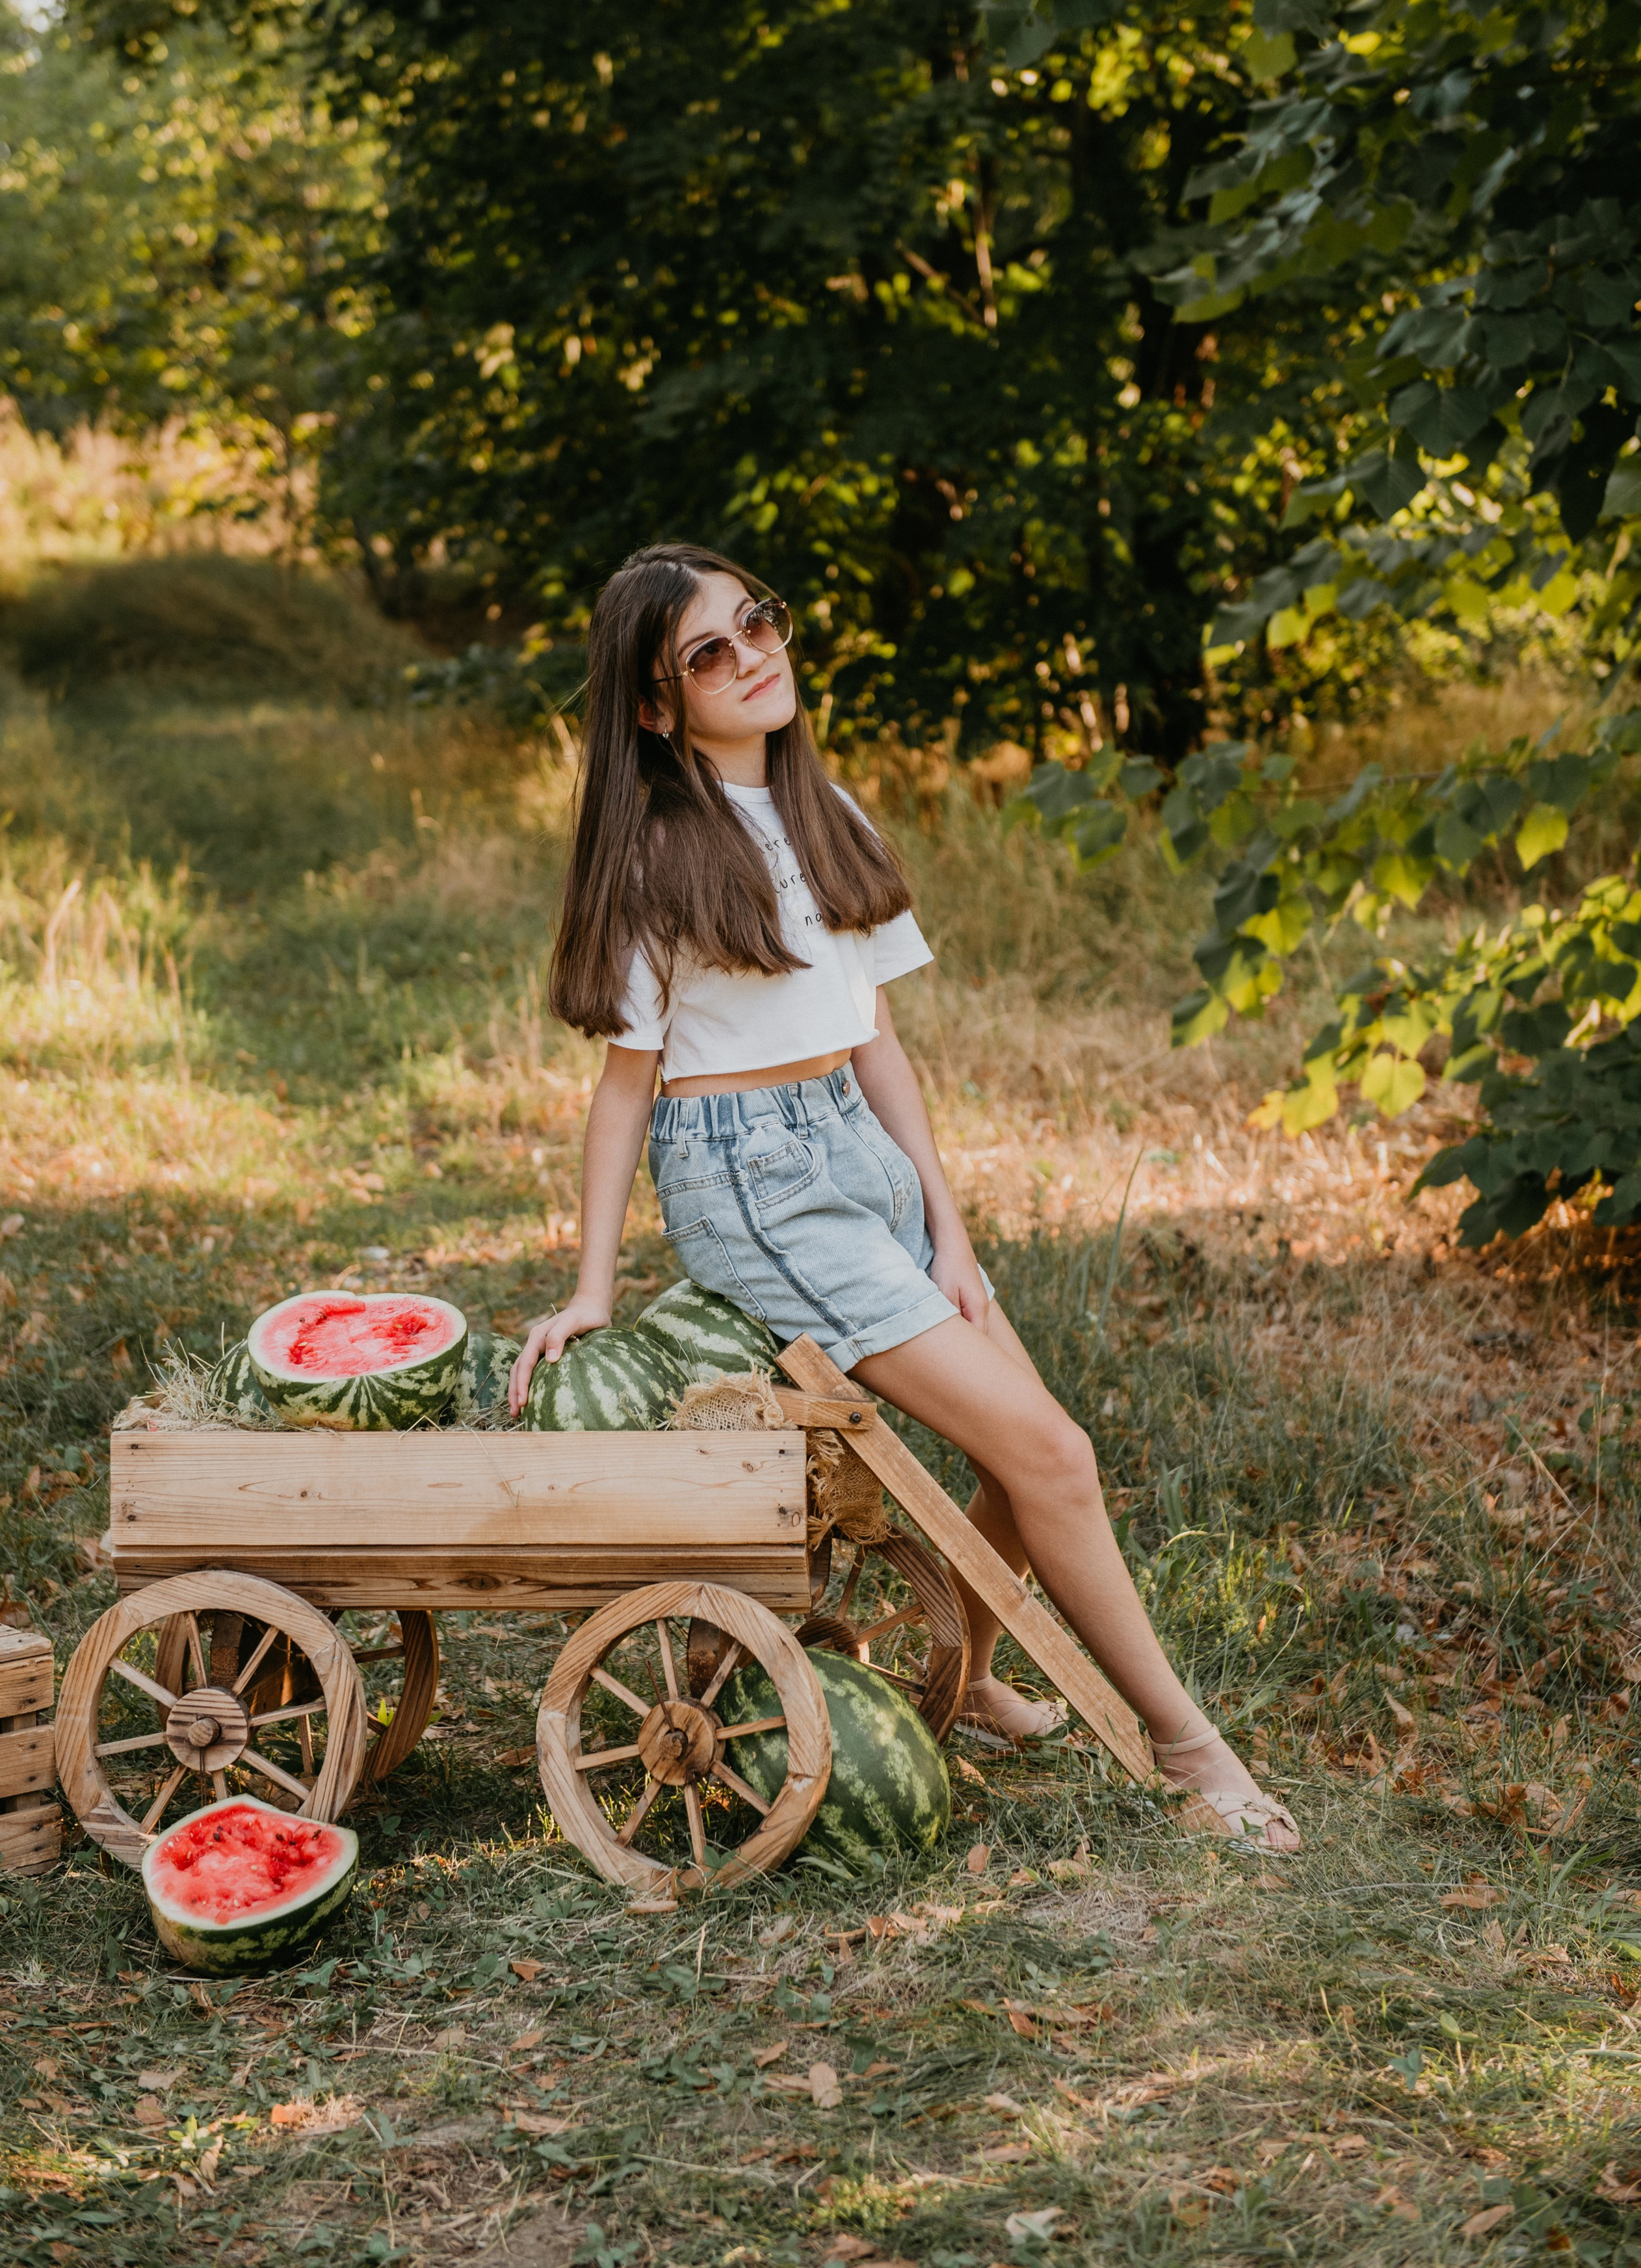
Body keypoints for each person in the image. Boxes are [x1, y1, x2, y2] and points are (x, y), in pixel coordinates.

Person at [508, 540, 1298, 1853]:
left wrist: (949, 1225)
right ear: (656, 706)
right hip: (750, 1179)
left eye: (756, 622)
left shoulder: (830, 813)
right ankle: (1185, 1745)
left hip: (852, 1149)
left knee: (1021, 1450)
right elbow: (621, 1087)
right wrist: (592, 1286)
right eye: (708, 653)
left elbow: (874, 1042)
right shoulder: (660, 852)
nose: (753, 654)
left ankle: (965, 1676)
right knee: (1056, 1457)